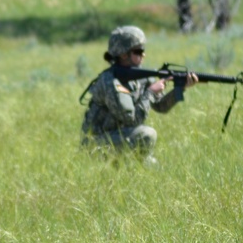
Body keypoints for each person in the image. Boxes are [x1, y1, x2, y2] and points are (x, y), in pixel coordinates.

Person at [80, 25, 197, 166]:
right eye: (138, 51)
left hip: (118, 138)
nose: (144, 55)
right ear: (124, 55)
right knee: (147, 134)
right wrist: (151, 92)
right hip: (95, 146)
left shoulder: (140, 75)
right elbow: (132, 120)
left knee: (155, 168)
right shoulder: (110, 81)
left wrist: (180, 88)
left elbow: (161, 107)